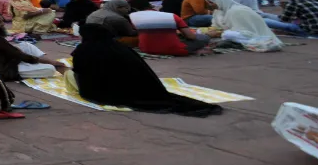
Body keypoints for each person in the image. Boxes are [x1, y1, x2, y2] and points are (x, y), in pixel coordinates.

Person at [68, 23, 221, 116]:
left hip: (101, 93)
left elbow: (80, 72)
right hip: (140, 89)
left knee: (69, 74)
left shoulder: (83, 50)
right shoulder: (122, 48)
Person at [0, 10, 67, 80]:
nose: (2, 24)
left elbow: (8, 49)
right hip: (0, 68)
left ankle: (47, 61)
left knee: (25, 45)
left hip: (1, 57)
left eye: (2, 21)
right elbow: (17, 54)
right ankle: (50, 63)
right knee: (49, 69)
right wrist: (49, 63)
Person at [205, 0, 282, 52]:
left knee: (227, 35)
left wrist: (221, 33)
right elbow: (215, 25)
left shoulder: (237, 11)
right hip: (231, 34)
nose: (209, 6)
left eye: (211, 3)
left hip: (250, 35)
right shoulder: (217, 11)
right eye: (208, 3)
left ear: (220, 1)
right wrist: (214, 30)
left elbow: (245, 32)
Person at [129, 9, 208, 56]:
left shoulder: (133, 17)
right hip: (176, 50)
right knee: (203, 37)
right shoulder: (173, 16)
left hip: (146, 49)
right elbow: (191, 37)